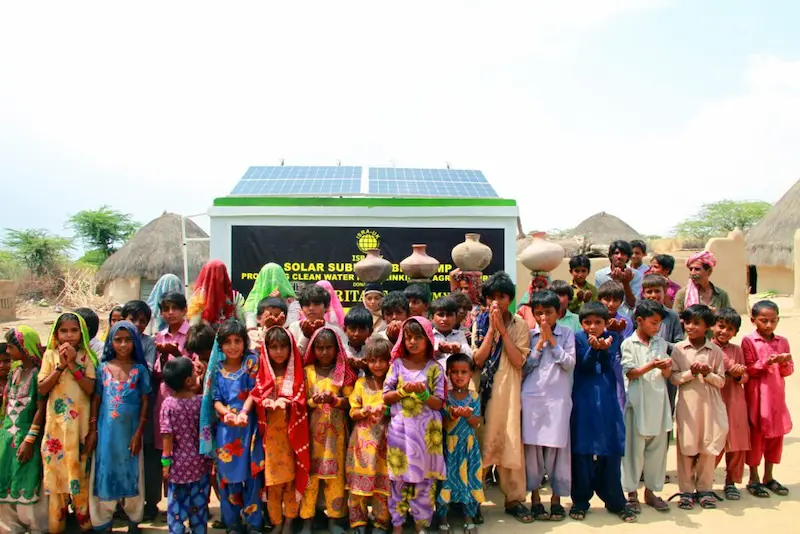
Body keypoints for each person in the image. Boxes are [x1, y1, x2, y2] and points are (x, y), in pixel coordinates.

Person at [472, 272, 530, 524]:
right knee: (479, 445)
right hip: (484, 394)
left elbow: (518, 360)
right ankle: (474, 500)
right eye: (492, 297)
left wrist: (503, 332)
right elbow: (477, 360)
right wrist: (491, 329)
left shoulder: (520, 325)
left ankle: (514, 499)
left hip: (508, 392)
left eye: (502, 296)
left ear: (510, 299)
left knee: (510, 444)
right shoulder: (480, 322)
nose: (497, 302)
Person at [570, 302, 635, 523]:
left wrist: (604, 348)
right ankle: (580, 501)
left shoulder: (613, 337)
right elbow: (584, 366)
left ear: (605, 323)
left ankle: (615, 501)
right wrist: (593, 349)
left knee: (611, 450)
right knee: (582, 452)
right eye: (587, 322)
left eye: (598, 322)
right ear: (581, 324)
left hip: (607, 401)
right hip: (584, 401)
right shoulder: (577, 338)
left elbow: (608, 365)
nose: (592, 327)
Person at [382, 317, 445, 533]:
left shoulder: (435, 368)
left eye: (418, 337)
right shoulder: (397, 365)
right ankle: (397, 525)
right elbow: (385, 397)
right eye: (408, 337)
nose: (412, 342)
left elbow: (438, 403)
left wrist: (423, 394)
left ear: (428, 340)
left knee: (425, 482)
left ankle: (421, 524)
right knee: (398, 481)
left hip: (427, 436)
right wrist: (402, 391)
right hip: (401, 433)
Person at [87, 321, 151, 532]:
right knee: (104, 473)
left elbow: (144, 401)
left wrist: (139, 433)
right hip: (106, 434)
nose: (123, 345)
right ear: (110, 342)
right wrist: (94, 429)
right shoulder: (102, 369)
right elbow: (97, 399)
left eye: (128, 340)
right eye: (118, 340)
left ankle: (134, 519)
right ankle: (103, 520)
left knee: (132, 473)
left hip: (131, 433)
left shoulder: (140, 370)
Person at [37, 313, 98, 533]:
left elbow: (91, 389)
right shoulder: (50, 356)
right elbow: (42, 388)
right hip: (56, 431)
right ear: (56, 333)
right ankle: (57, 526)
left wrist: (72, 363)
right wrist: (61, 366)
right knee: (57, 484)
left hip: (80, 430)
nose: (69, 335)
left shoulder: (86, 357)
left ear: (81, 333)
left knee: (81, 480)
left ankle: (85, 524)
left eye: (74, 331)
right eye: (64, 331)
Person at [203, 319, 264, 532]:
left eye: (237, 340)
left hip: (249, 428)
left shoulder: (251, 362)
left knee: (252, 475)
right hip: (226, 431)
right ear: (220, 345)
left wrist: (244, 412)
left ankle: (254, 523)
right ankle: (232, 524)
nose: (233, 346)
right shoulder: (217, 369)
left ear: (244, 342)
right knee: (227, 478)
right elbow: (216, 399)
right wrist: (227, 414)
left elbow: (254, 392)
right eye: (227, 342)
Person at [252, 326, 310, 534]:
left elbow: (302, 399)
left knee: (291, 482)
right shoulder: (262, 372)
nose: (278, 352)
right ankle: (276, 521)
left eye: (283, 347)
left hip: (291, 436)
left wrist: (288, 403)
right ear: (266, 349)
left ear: (290, 348)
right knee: (273, 483)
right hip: (270, 440)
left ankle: (289, 521)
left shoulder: (296, 373)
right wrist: (265, 402)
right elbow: (255, 396)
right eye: (273, 347)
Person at [523, 290, 575, 522]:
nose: (543, 318)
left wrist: (552, 342)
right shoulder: (528, 335)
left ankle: (556, 499)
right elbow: (524, 367)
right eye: (539, 313)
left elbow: (569, 364)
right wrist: (540, 344)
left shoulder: (567, 333)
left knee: (557, 450)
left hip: (558, 399)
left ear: (558, 313)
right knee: (532, 451)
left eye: (548, 313)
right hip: (532, 398)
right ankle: (534, 498)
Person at [670, 304, 728, 510]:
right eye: (688, 322)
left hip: (710, 406)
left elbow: (721, 381)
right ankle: (685, 491)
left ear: (708, 327)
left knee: (707, 447)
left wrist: (706, 373)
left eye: (697, 323)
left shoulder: (715, 351)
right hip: (688, 406)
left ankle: (704, 489)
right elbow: (674, 378)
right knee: (686, 447)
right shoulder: (679, 349)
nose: (691, 327)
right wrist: (691, 373)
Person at [300, 328, 355, 534]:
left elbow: (350, 402)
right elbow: (301, 403)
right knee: (310, 479)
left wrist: (334, 400)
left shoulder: (342, 370)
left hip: (336, 436)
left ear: (336, 348)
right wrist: (314, 401)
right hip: (312, 436)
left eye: (328, 348)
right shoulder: (307, 372)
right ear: (313, 349)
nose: (324, 352)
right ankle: (307, 519)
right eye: (320, 348)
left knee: (336, 478)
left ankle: (335, 518)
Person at [620, 300, 672, 513]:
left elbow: (666, 375)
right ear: (639, 321)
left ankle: (651, 491)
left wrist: (667, 367)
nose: (656, 327)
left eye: (659, 323)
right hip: (637, 402)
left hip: (659, 402)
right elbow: (630, 373)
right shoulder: (628, 344)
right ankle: (631, 493)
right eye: (653, 322)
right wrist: (652, 365)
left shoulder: (661, 343)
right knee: (633, 450)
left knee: (657, 451)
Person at [742, 300, 794, 498]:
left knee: (775, 437)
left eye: (773, 321)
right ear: (754, 320)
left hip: (776, 397)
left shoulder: (782, 341)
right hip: (757, 395)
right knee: (757, 436)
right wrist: (766, 362)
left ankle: (769, 476)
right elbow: (749, 369)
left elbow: (788, 371)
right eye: (764, 321)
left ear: (778, 320)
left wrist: (784, 362)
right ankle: (753, 478)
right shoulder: (749, 341)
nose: (769, 325)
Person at [0, 327, 48, 534]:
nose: (8, 352)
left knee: (29, 480)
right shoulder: (15, 373)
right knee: (6, 480)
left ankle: (36, 527)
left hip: (27, 436)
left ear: (24, 347)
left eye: (11, 347)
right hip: (7, 436)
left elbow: (41, 408)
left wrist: (29, 439)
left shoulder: (38, 375)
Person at [346, 337, 392, 534]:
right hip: (362, 443)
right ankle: (359, 522)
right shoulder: (361, 383)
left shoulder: (392, 385)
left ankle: (381, 522)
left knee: (384, 485)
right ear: (366, 362)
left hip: (387, 442)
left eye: (382, 360)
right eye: (373, 360)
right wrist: (364, 412)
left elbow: (398, 409)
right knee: (358, 485)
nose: (378, 365)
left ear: (390, 361)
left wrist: (385, 410)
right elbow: (352, 411)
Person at [161, 356, 211, 534]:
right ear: (188, 380)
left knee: (176, 507)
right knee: (199, 505)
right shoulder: (200, 402)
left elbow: (167, 435)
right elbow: (206, 431)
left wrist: (166, 462)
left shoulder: (168, 404)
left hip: (178, 465)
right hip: (199, 463)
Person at [121, 299, 160, 521]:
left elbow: (144, 370)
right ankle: (123, 503)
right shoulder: (115, 341)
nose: (136, 324)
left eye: (142, 321)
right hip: (121, 412)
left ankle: (151, 503)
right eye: (132, 319)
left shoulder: (148, 343)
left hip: (144, 407)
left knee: (149, 457)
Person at [438, 353, 484, 534]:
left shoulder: (474, 396)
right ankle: (442, 516)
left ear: (471, 374)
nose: (459, 376)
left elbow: (477, 422)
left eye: (463, 372)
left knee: (468, 480)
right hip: (449, 447)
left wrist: (467, 415)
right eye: (454, 372)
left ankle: (468, 516)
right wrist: (452, 413)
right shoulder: (446, 397)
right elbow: (442, 420)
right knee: (447, 481)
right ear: (448, 374)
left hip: (468, 446)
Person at [712, 308, 750, 501]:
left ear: (735, 332)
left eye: (730, 328)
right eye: (721, 326)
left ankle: (731, 481)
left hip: (734, 400)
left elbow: (744, 375)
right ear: (713, 325)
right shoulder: (708, 347)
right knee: (713, 442)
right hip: (715, 399)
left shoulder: (737, 350)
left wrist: (738, 374)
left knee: (736, 443)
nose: (724, 331)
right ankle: (704, 480)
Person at [153, 292, 191, 453]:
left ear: (184, 310)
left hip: (186, 395)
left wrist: (177, 354)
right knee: (165, 443)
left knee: (186, 442)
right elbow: (157, 372)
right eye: (166, 309)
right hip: (165, 394)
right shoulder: (160, 336)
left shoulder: (192, 334)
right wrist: (163, 356)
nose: (170, 313)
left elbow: (196, 366)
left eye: (175, 308)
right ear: (161, 313)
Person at [598, 281, 632, 411]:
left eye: (616, 300)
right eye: (606, 299)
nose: (611, 304)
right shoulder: (593, 319)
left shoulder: (625, 322)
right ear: (599, 299)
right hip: (597, 365)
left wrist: (618, 333)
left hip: (617, 368)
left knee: (618, 403)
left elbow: (627, 349)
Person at [288, 283, 348, 355]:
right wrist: (305, 336)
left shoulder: (335, 331)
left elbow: (344, 355)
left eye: (316, 304)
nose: (311, 308)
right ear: (301, 308)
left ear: (326, 307)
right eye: (307, 305)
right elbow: (292, 357)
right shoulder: (294, 328)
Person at [188, 260, 245, 329]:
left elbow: (192, 327)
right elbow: (193, 326)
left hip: (228, 337)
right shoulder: (199, 298)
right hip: (207, 338)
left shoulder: (198, 298)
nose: (216, 279)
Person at [243, 263, 300, 330]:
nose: (272, 283)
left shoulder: (292, 302)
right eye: (268, 279)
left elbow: (292, 325)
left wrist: (280, 303)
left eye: (276, 279)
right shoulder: (252, 301)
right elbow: (251, 329)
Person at [594, 241, 642, 314]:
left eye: (623, 254)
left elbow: (633, 304)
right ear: (610, 255)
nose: (619, 256)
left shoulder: (635, 274)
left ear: (628, 257)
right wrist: (615, 283)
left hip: (628, 316)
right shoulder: (600, 275)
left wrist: (626, 283)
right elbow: (599, 302)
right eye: (616, 253)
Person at [431, 296, 472, 375]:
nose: (445, 319)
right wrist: (439, 351)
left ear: (455, 317)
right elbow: (422, 357)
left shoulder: (459, 334)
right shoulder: (429, 336)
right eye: (440, 315)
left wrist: (459, 349)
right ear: (432, 317)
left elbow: (470, 356)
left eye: (449, 315)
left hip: (456, 382)